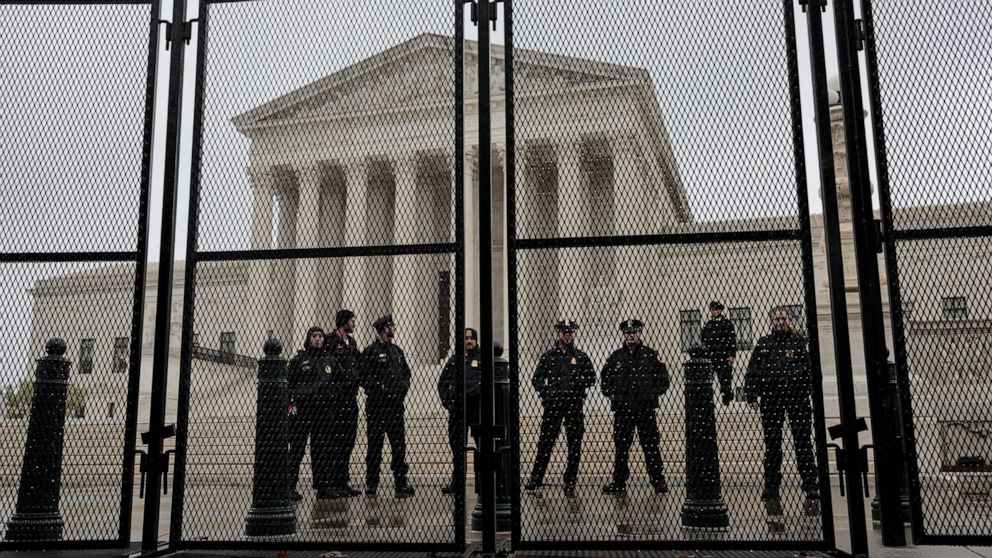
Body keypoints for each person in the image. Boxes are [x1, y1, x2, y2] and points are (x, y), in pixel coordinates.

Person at [744, 306, 820, 517]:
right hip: (772, 398)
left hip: (797, 398)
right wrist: (751, 395)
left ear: (788, 320)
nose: (779, 322)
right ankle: (771, 487)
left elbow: (809, 369)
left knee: (803, 442)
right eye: (776, 319)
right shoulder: (763, 343)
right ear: (771, 321)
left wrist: (809, 391)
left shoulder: (798, 342)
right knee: (773, 445)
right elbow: (753, 370)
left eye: (782, 318)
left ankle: (810, 485)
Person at [524, 319, 595, 498]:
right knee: (545, 443)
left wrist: (576, 385)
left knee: (574, 445)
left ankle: (570, 480)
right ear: (559, 333)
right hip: (554, 406)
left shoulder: (581, 356)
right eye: (564, 332)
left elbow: (591, 378)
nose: (567, 335)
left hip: (573, 405)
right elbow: (536, 379)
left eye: (570, 332)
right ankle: (536, 477)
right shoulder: (549, 356)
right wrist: (547, 394)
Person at [600, 319, 671, 495]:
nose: (631, 335)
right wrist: (611, 393)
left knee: (651, 445)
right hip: (623, 409)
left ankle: (657, 480)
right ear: (624, 334)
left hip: (645, 409)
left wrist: (653, 393)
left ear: (639, 333)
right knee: (621, 447)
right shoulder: (616, 356)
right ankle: (619, 481)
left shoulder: (650, 355)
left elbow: (663, 379)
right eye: (628, 333)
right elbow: (605, 379)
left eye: (634, 332)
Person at [359, 314, 415, 497]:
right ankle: (371, 483)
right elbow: (363, 377)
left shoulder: (397, 352)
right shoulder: (370, 352)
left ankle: (401, 483)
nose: (394, 328)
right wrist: (378, 387)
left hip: (395, 406)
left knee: (398, 446)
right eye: (391, 325)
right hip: (377, 406)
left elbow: (406, 374)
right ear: (384, 328)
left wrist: (401, 389)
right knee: (375, 446)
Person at [314, 309, 362, 499]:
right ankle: (330, 483)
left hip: (350, 398)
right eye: (352, 320)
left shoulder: (352, 343)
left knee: (347, 441)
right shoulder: (330, 341)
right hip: (334, 401)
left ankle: (342, 482)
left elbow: (359, 365)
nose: (354, 323)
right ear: (343, 322)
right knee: (332, 441)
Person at [436, 327, 482, 495]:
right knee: (457, 448)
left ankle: (482, 481)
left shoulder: (482, 358)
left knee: (482, 446)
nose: (469, 341)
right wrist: (448, 403)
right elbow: (442, 383)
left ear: (476, 340)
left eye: (471, 338)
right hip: (458, 410)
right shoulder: (454, 360)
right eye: (466, 338)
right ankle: (457, 483)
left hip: (477, 409)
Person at [286, 326, 325, 501]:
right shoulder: (299, 360)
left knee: (319, 451)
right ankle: (289, 486)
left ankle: (321, 487)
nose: (318, 339)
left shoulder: (327, 360)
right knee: (296, 450)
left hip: (320, 413)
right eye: (314, 336)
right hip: (302, 413)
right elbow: (289, 386)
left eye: (320, 336)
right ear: (309, 338)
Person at [700, 301, 736, 406]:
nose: (714, 311)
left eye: (716, 309)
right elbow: (703, 339)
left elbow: (732, 340)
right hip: (711, 356)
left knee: (725, 379)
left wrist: (731, 355)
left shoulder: (727, 323)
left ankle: (726, 397)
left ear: (720, 310)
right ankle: (707, 399)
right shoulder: (708, 324)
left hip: (724, 356)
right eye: (712, 309)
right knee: (707, 379)